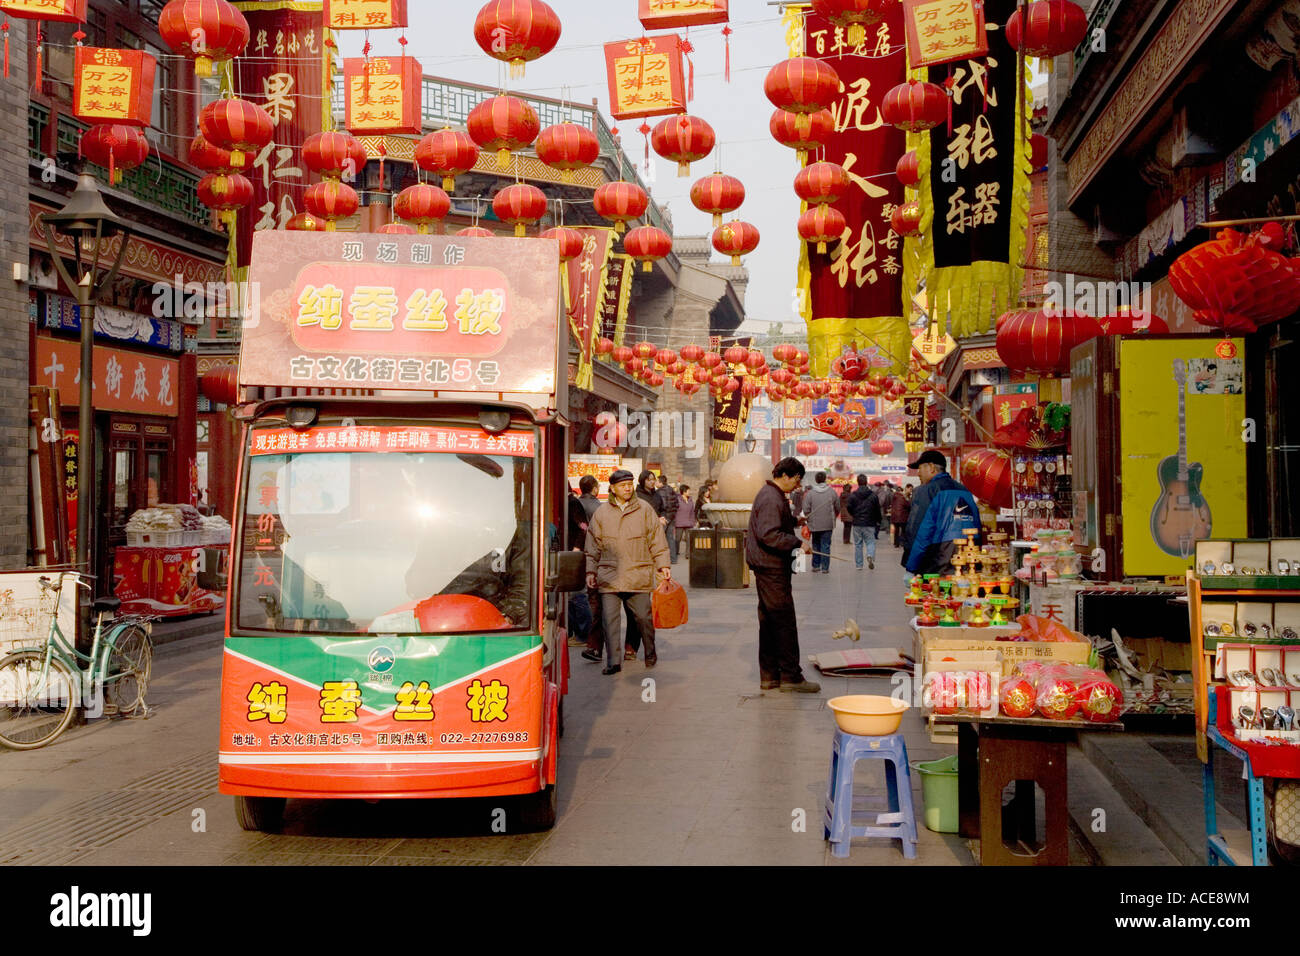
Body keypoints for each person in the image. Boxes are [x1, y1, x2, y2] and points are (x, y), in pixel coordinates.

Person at [745, 457, 820, 693]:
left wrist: (794, 520)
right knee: (783, 621)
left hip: (769, 566)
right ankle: (790, 676)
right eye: (796, 479)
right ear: (785, 476)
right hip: (771, 567)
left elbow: (774, 524)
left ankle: (770, 676)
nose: (797, 485)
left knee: (769, 622)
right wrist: (799, 543)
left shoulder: (773, 494)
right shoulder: (770, 496)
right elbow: (769, 534)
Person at [585, 469, 671, 674]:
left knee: (643, 618)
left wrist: (663, 565)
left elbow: (656, 540)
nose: (627, 488)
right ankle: (613, 662)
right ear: (612, 488)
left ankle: (650, 651)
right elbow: (593, 547)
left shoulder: (644, 509)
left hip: (637, 573)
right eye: (622, 485)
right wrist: (590, 572)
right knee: (610, 621)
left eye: (629, 484)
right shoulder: (601, 513)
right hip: (609, 576)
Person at [901, 450, 982, 575]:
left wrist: (911, 567)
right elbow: (977, 525)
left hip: (937, 562)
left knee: (938, 593)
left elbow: (919, 532)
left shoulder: (926, 491)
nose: (918, 473)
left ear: (932, 467)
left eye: (920, 468)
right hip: (968, 560)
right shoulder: (964, 490)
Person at [576, 476, 607, 662]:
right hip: (598, 559)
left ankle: (590, 642)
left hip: (581, 555)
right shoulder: (600, 508)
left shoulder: (576, 504)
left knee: (585, 598)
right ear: (595, 489)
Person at [566, 485, 592, 647]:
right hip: (569, 554)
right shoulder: (568, 502)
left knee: (577, 595)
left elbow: (583, 528)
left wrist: (576, 549)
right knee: (571, 596)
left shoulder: (573, 503)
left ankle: (583, 635)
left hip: (573, 556)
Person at [800, 471, 838, 574]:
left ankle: (816, 565)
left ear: (816, 480)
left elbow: (806, 509)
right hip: (828, 524)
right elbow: (837, 507)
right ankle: (825, 568)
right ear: (825, 479)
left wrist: (810, 518)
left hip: (814, 523)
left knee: (816, 544)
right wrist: (832, 517)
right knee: (825, 545)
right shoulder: (832, 492)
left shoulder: (810, 493)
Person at [846, 473, 883, 570]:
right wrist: (878, 520)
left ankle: (859, 565)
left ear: (857, 482)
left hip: (857, 523)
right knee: (870, 542)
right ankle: (870, 555)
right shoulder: (873, 495)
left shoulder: (853, 495)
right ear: (866, 482)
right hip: (870, 523)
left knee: (858, 544)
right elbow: (877, 509)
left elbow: (848, 507)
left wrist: (854, 515)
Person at [672, 483, 695, 564]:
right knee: (677, 539)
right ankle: (675, 552)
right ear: (684, 492)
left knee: (689, 539)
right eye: (688, 491)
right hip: (679, 522)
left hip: (689, 523)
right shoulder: (677, 499)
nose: (689, 492)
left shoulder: (690, 500)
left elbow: (692, 512)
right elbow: (674, 511)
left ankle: (688, 554)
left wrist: (693, 521)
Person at [891, 483, 912, 548]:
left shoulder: (895, 496)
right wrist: (909, 500)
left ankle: (896, 543)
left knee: (896, 530)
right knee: (903, 530)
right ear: (906, 488)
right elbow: (908, 505)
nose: (911, 491)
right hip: (902, 517)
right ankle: (902, 542)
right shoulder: (903, 497)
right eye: (910, 489)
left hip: (895, 516)